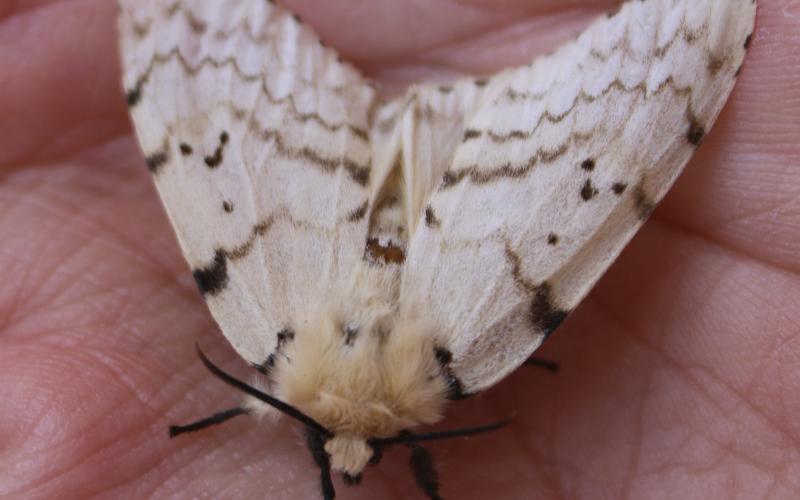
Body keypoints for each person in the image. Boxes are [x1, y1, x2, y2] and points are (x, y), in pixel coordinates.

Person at [1, 1, 798, 498]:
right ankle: (679, 44)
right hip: (449, 170)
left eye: (322, 437)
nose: (349, 463)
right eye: (378, 447)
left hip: (350, 218)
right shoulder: (450, 344)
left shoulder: (466, 351)